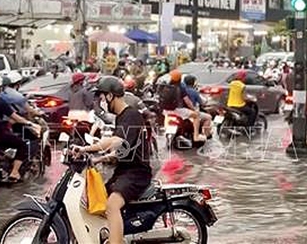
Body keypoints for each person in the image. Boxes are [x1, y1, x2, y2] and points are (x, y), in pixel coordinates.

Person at [71, 76, 152, 244]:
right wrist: (100, 159)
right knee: (98, 200)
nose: (100, 102)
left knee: (112, 205)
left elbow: (116, 141)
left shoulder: (131, 115)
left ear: (109, 96)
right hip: (124, 171)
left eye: (101, 97)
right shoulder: (122, 117)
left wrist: (86, 149)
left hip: (136, 173)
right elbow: (123, 149)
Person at [0, 75, 40, 182]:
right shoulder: (0, 102)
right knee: (22, 145)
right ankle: (15, 172)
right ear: (0, 87)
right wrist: (29, 123)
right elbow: (15, 117)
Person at [161, 70, 208, 142]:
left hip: (166, 111)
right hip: (178, 110)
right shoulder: (181, 87)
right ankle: (196, 136)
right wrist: (193, 109)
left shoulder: (165, 86)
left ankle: (166, 130)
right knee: (196, 116)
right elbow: (187, 101)